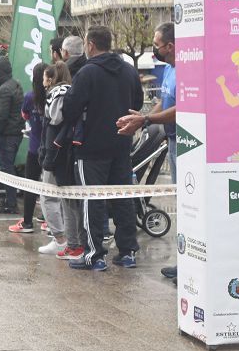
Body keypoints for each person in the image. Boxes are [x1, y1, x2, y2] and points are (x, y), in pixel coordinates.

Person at [62, 26, 143, 271]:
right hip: (121, 144)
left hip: (91, 148)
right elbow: (137, 104)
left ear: (90, 45)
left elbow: (70, 109)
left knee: (92, 200)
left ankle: (95, 255)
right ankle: (127, 252)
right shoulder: (129, 71)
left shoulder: (87, 73)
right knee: (122, 198)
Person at [118, 22, 177, 280]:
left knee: (189, 204)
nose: (155, 48)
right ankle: (184, 262)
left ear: (170, 46)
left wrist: (147, 121)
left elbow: (183, 107)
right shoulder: (170, 70)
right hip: (173, 140)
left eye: (157, 44)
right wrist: (142, 119)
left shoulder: (187, 70)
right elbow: (163, 102)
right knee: (182, 203)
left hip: (186, 143)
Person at [36, 62, 73, 255]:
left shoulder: (57, 94)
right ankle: (69, 239)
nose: (42, 82)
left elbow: (55, 119)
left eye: (44, 77)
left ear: (50, 78)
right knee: (66, 196)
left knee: (49, 196)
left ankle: (60, 238)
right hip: (66, 151)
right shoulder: (72, 91)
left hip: (56, 150)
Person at [9, 62, 47, 234]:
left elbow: (24, 114)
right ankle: (50, 222)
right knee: (51, 187)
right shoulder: (53, 96)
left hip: (34, 147)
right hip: (53, 148)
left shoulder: (30, 96)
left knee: (30, 185)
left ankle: (27, 222)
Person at [0, 55, 24, 213]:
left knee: (6, 169)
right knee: (8, 167)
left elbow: (2, 115)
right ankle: (10, 200)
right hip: (15, 133)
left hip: (6, 135)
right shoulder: (14, 85)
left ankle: (10, 202)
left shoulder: (4, 90)